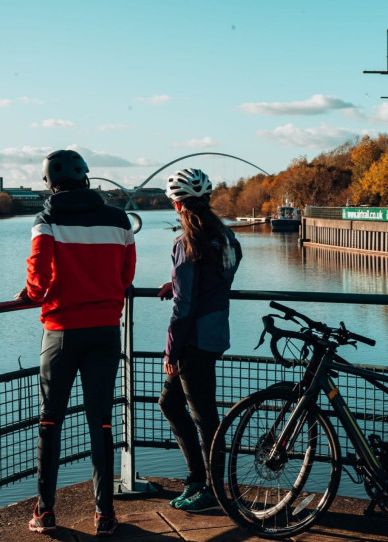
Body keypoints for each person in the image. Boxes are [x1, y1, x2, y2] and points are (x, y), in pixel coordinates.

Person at [16, 149, 136, 536]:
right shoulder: (119, 219)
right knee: (101, 421)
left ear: (49, 183)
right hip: (105, 329)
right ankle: (105, 515)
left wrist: (34, 294)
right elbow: (126, 274)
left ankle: (45, 512)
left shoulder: (46, 218)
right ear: (87, 177)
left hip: (62, 330)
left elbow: (38, 274)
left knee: (50, 421)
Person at [157, 168, 241, 513]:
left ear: (177, 205)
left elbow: (185, 305)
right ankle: (198, 479)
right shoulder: (226, 237)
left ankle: (215, 492)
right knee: (172, 404)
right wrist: (175, 282)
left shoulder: (185, 243)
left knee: (205, 417)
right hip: (216, 332)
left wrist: (171, 351)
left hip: (192, 340)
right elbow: (212, 283)